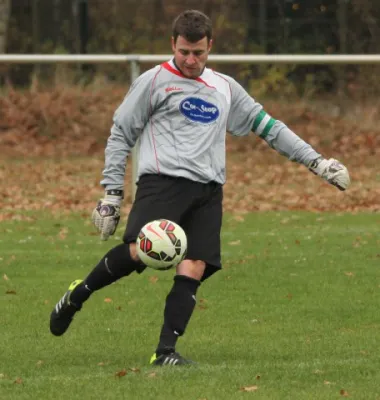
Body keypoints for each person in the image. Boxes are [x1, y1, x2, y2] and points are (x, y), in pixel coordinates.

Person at [49, 9, 350, 366]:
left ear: (211, 47)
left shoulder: (225, 87)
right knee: (138, 254)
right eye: (184, 52)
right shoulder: (153, 81)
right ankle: (77, 295)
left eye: (199, 53)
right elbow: (120, 134)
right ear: (172, 45)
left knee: (194, 266)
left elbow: (269, 126)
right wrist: (111, 194)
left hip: (208, 191)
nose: (191, 60)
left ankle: (165, 353)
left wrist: (317, 162)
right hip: (162, 184)